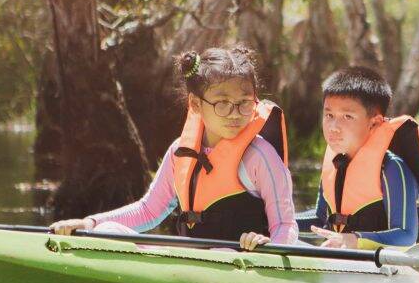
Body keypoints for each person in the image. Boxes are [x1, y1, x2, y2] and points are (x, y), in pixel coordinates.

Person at [49, 44, 298, 246]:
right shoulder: (180, 153)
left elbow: (285, 225)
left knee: (222, 251)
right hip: (192, 263)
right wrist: (89, 223)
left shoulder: (261, 156)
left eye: (244, 103)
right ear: (196, 104)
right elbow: (148, 211)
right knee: (107, 231)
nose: (235, 114)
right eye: (222, 103)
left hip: (240, 265)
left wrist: (270, 249)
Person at [298, 65, 419, 248]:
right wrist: (273, 223)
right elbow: (321, 221)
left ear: (374, 123)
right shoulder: (336, 161)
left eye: (347, 116)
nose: (333, 127)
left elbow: (407, 236)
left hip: (383, 263)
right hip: (343, 258)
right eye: (329, 115)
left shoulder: (392, 169)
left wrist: (354, 239)